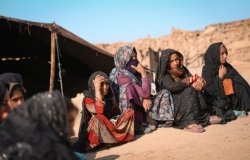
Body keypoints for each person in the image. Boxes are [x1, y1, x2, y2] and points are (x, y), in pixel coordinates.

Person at [109, 46, 175, 133]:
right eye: (131, 57)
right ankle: (136, 124)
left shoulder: (135, 73)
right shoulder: (121, 75)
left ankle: (155, 120)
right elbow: (144, 93)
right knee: (128, 87)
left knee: (165, 93)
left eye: (135, 56)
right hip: (128, 108)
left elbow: (146, 93)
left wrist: (145, 97)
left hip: (142, 103)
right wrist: (143, 73)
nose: (135, 59)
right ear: (123, 59)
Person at [156, 49, 222, 133]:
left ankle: (204, 118)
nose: (176, 63)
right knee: (189, 91)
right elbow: (172, 87)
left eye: (177, 59)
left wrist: (199, 80)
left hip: (186, 100)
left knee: (195, 89)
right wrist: (187, 82)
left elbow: (191, 78)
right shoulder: (165, 75)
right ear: (166, 63)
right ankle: (189, 123)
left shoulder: (182, 70)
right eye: (171, 61)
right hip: (172, 105)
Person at [0, 90, 80, 160]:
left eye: (21, 98)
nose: (72, 132)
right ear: (51, 118)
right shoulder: (51, 153)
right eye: (68, 121)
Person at [75, 71, 134, 151]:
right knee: (99, 118)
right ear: (94, 86)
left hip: (108, 126)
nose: (106, 87)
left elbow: (114, 114)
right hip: (94, 130)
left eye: (107, 84)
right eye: (102, 84)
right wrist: (97, 90)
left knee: (130, 112)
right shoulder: (88, 99)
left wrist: (115, 119)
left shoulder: (108, 99)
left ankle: (112, 139)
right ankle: (104, 141)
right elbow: (99, 111)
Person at [202, 42, 250, 123]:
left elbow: (242, 82)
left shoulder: (227, 66)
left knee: (231, 82)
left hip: (233, 102)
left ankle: (237, 107)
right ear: (214, 55)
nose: (225, 56)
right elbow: (209, 90)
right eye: (222, 54)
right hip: (216, 101)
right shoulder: (207, 69)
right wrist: (220, 77)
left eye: (226, 53)